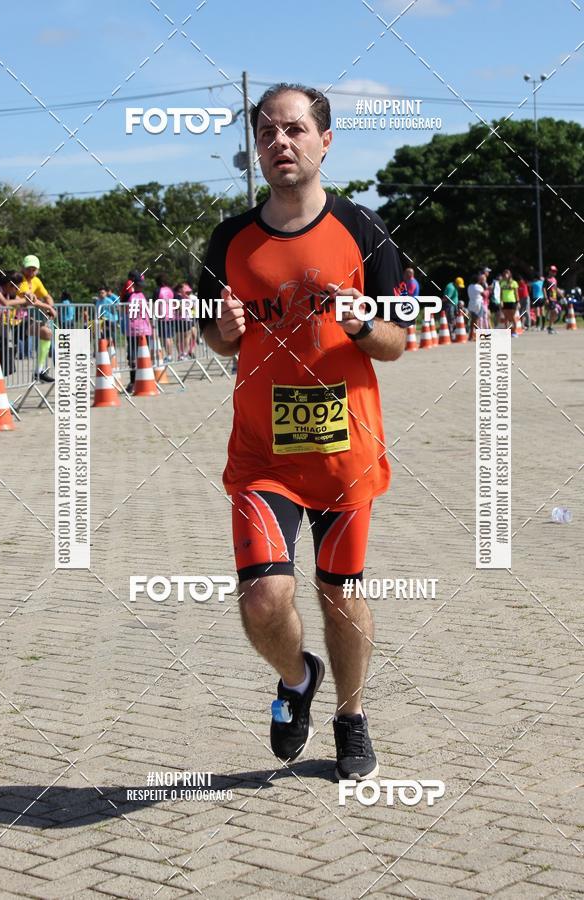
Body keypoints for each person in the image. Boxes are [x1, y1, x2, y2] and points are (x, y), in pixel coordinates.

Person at [198, 82, 408, 781]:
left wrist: (360, 325)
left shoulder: (365, 230)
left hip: (346, 453)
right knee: (264, 597)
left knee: (340, 593)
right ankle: (296, 679)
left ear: (325, 140)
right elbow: (217, 336)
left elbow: (396, 343)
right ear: (256, 148)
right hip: (263, 455)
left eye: (293, 130)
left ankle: (351, 717)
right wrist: (221, 335)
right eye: (266, 133)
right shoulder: (229, 239)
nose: (279, 143)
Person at [18, 255, 56, 381]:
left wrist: (50, 306)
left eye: (34, 269)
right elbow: (29, 300)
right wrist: (48, 308)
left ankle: (39, 371)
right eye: (28, 269)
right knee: (3, 360)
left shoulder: (36, 281)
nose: (31, 272)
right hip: (10, 320)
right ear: (23, 268)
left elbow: (47, 296)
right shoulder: (19, 279)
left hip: (24, 319)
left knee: (46, 332)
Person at [125, 277, 152, 392]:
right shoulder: (129, 296)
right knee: (132, 357)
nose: (141, 287)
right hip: (132, 330)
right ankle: (132, 381)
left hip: (145, 329)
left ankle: (144, 380)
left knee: (144, 357)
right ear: (135, 285)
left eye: (142, 285)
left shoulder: (144, 296)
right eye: (139, 285)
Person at [153, 274, 175, 362]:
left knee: (165, 337)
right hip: (171, 314)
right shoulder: (170, 290)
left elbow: (154, 303)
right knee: (169, 337)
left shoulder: (158, 290)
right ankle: (170, 355)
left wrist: (152, 315)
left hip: (162, 315)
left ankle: (169, 356)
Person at [499, 268, 519, 336]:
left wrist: (518, 302)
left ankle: (514, 331)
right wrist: (501, 301)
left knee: (512, 317)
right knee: (506, 317)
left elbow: (516, 293)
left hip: (512, 301)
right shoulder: (502, 283)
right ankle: (507, 331)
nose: (505, 275)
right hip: (505, 301)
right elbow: (501, 293)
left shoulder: (514, 283)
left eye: (506, 274)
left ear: (509, 274)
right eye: (504, 274)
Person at [543, 265, 560, 334]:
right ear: (550, 271)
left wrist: (562, 296)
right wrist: (546, 298)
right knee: (555, 312)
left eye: (555, 271)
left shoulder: (554, 279)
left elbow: (556, 288)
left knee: (554, 313)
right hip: (550, 299)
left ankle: (550, 327)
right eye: (553, 271)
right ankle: (549, 326)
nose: (554, 272)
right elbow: (543, 289)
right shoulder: (547, 279)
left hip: (554, 298)